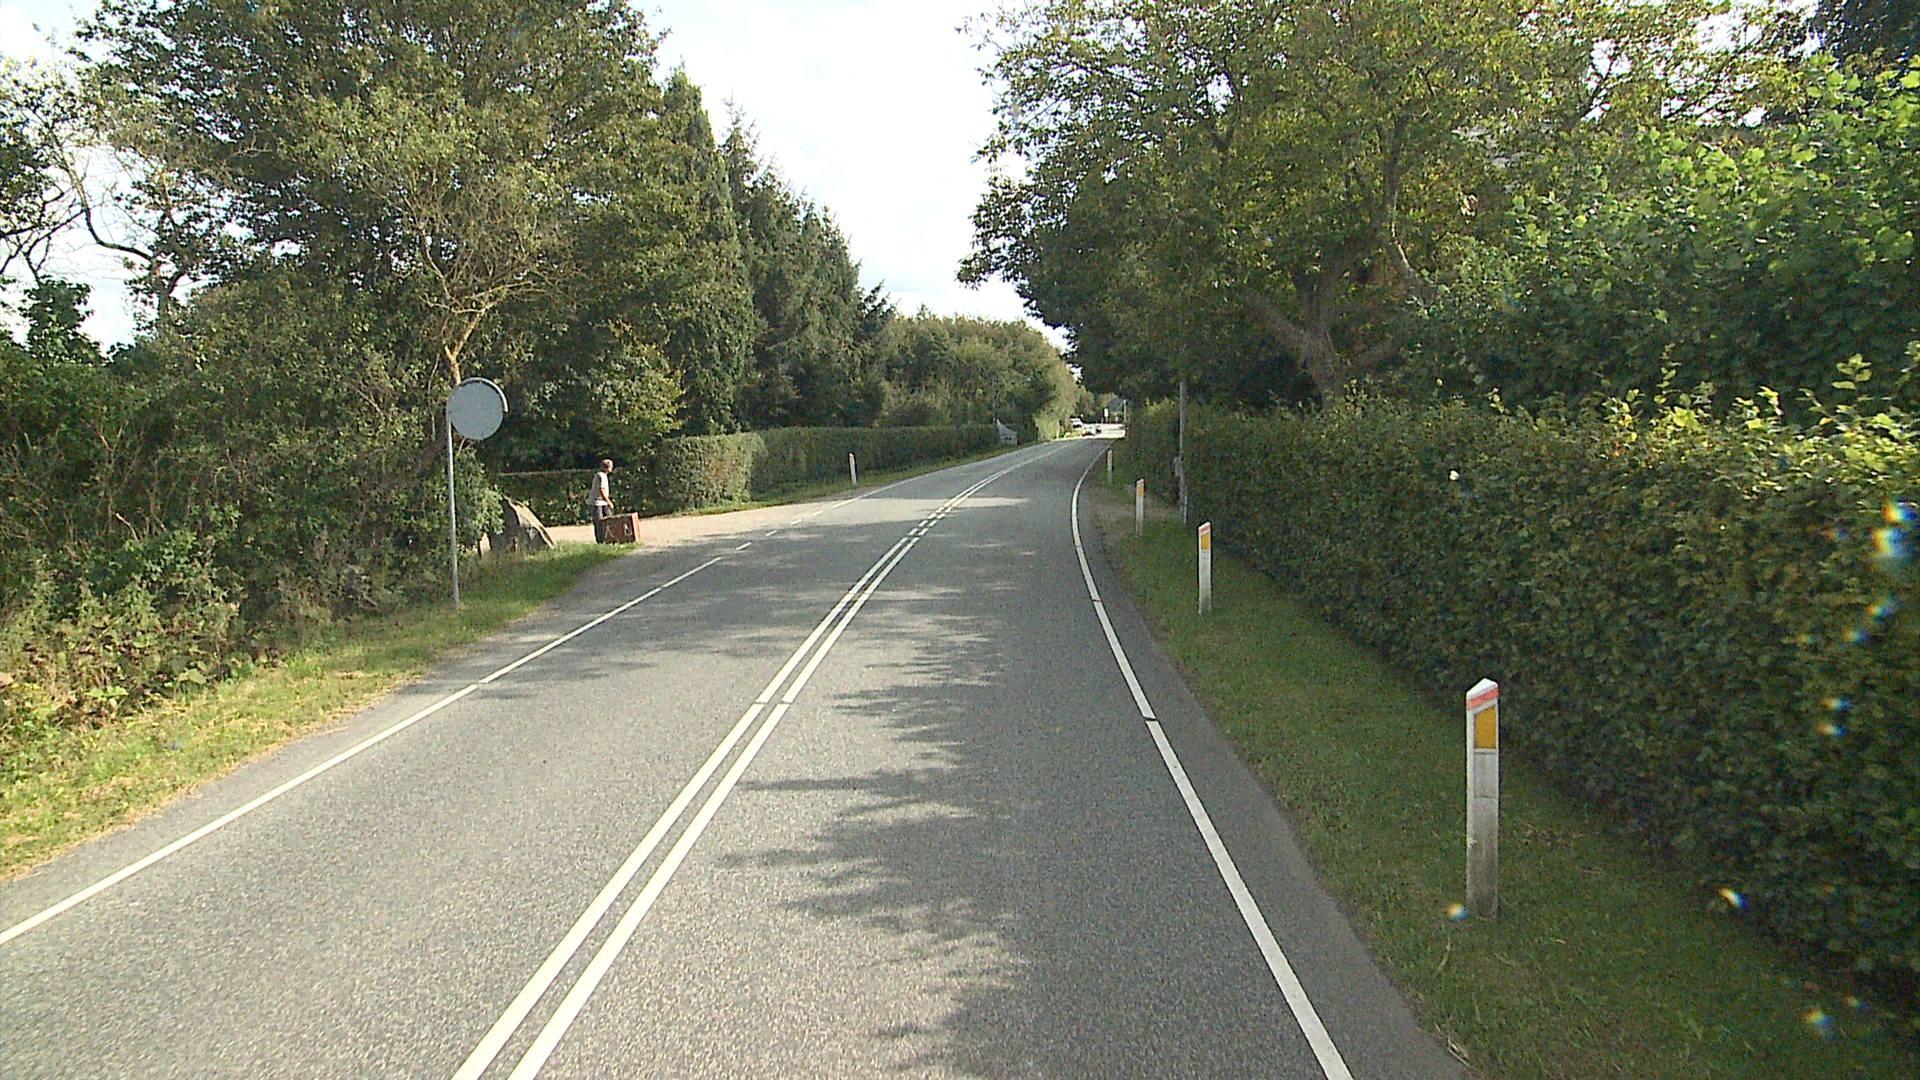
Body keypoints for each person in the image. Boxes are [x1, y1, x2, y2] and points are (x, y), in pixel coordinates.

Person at [586, 458, 615, 542]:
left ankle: (609, 538)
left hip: (603, 502)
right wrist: (609, 502)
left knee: (609, 518)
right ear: (607, 467)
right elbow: (601, 490)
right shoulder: (600, 475)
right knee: (599, 522)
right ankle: (600, 541)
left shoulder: (604, 475)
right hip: (597, 502)